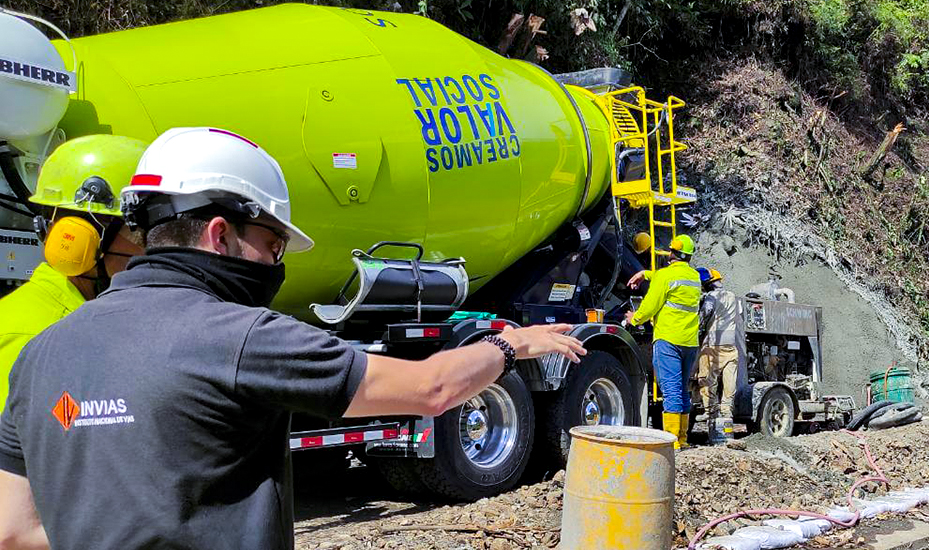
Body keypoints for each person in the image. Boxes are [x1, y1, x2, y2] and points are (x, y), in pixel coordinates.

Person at [0, 127, 587, 550]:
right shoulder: (243, 338)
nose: (276, 264)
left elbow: (14, 530)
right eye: (273, 244)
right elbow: (431, 388)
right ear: (220, 233)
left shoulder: (40, 354)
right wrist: (512, 345)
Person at [0, 135, 148, 407]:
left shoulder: (87, 320)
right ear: (80, 236)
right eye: (142, 233)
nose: (155, 248)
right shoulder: (32, 337)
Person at [625, 234, 701, 449]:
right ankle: (683, 439)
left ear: (671, 253)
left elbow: (650, 305)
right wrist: (647, 274)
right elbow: (667, 279)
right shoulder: (693, 277)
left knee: (671, 391)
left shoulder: (665, 276)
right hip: (689, 342)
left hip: (668, 340)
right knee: (683, 389)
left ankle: (672, 442)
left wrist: (634, 318)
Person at [696, 268, 745, 444]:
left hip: (712, 348)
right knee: (728, 388)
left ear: (705, 284)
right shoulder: (733, 297)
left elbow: (703, 318)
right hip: (730, 348)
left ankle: (711, 420)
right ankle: (726, 426)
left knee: (707, 382)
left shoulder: (709, 298)